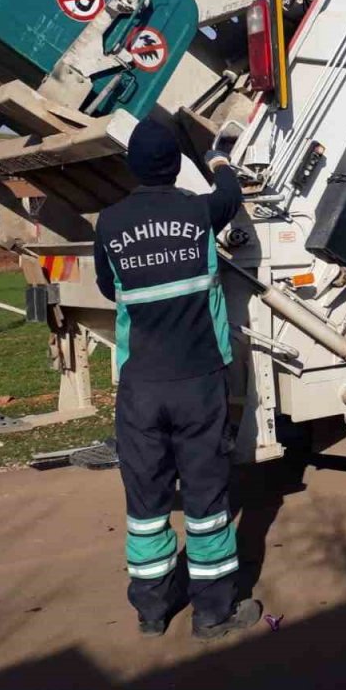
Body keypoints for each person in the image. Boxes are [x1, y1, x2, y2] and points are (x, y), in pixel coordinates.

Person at [94, 119, 261, 639]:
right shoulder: (198, 211)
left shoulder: (110, 223)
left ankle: (152, 610)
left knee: (146, 502)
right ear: (175, 165)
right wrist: (218, 159)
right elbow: (230, 194)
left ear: (132, 166)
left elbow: (108, 287)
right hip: (198, 384)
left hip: (140, 387)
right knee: (207, 500)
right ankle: (213, 613)